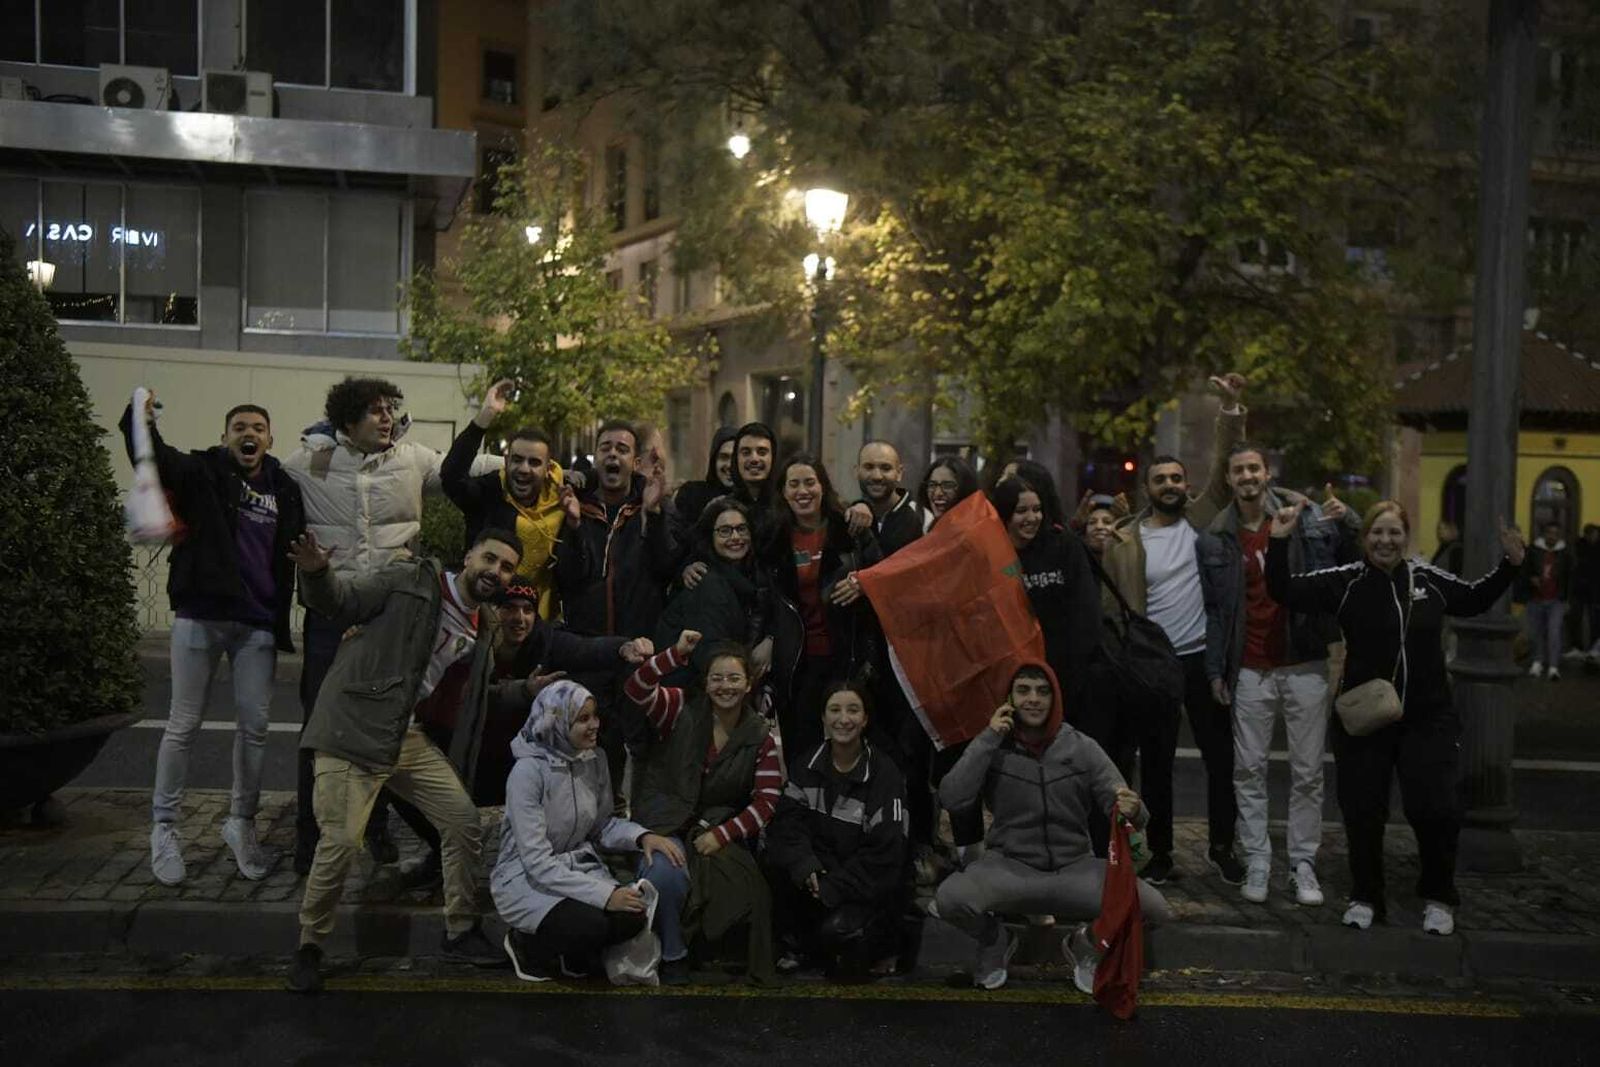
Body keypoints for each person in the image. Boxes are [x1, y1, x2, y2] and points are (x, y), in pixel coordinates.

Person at [283, 526, 527, 993]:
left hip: (402, 735)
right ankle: (309, 947)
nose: (495, 571)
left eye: (506, 567)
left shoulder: (486, 624)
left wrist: (527, 690)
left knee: (461, 821)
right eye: (489, 559)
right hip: (351, 726)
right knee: (340, 841)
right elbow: (343, 601)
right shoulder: (410, 579)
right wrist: (316, 573)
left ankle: (460, 931)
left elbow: (478, 693)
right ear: (469, 554)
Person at [1266, 500, 1523, 935]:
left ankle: (1439, 896)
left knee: (1435, 809)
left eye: (1394, 533)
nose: (1385, 541)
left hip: (1428, 717)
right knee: (1363, 812)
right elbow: (1284, 590)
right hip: (1365, 719)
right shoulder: (1346, 582)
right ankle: (1366, 896)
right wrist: (1277, 541)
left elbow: (1475, 598)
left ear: (1406, 537)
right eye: (1376, 533)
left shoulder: (1428, 579)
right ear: (1365, 539)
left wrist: (1511, 564)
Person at [118, 393, 305, 885]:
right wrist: (141, 415)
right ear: (226, 437)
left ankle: (240, 824)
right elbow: (152, 453)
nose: (250, 433)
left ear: (269, 439)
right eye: (240, 426)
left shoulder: (284, 487)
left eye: (259, 427)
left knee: (256, 727)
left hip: (258, 622)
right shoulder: (203, 472)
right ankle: (164, 828)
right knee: (183, 724)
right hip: (202, 614)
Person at [283, 376, 453, 872]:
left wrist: (544, 467)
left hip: (386, 618)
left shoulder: (411, 459)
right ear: (346, 422)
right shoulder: (309, 463)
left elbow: (467, 470)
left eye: (390, 408)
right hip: (330, 615)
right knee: (319, 728)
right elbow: (257, 476)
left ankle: (373, 830)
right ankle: (309, 838)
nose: (387, 417)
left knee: (382, 727)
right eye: (375, 411)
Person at [395, 572, 653, 891]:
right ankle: (443, 851)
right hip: (469, 758)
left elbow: (583, 648)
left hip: (519, 767)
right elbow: (467, 696)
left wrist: (622, 648)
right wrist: (523, 690)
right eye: (509, 608)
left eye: (527, 610)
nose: (519, 618)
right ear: (494, 611)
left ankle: (550, 858)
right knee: (400, 781)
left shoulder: (543, 642)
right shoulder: (472, 641)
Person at [933, 663, 1173, 991]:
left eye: (1043, 691)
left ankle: (1085, 945)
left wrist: (1134, 808)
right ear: (1009, 699)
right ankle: (995, 941)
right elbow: (952, 797)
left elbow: (1128, 807)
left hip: (1075, 869)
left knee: (1155, 909)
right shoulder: (994, 745)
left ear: (1055, 697)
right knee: (950, 899)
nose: (1034, 699)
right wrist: (989, 737)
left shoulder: (1081, 746)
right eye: (1024, 690)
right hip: (1009, 868)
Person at [1101, 373, 1247, 887]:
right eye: (1160, 480)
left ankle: (1223, 847)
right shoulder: (1127, 537)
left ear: (1187, 486)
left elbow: (1226, 474)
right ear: (1147, 488)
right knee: (1156, 764)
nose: (1170, 486)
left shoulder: (1202, 519)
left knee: (1220, 759)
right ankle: (1160, 852)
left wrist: (1230, 409)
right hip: (1151, 664)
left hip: (1201, 660)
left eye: (1176, 479)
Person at [1209, 445, 1357, 907]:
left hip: (1304, 661)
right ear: (1229, 479)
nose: (1248, 476)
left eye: (1254, 467)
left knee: (1308, 772)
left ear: (1266, 473)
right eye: (1239, 470)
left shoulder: (1302, 516)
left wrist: (1346, 518)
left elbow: (1345, 560)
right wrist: (1217, 667)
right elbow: (1217, 611)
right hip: (1249, 666)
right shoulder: (1217, 535)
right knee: (1247, 769)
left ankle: (1302, 863)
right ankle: (1258, 858)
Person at [493, 680, 685, 982]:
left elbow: (602, 825)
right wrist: (607, 894)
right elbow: (537, 862)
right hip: (526, 877)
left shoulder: (595, 760)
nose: (595, 725)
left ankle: (572, 952)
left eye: (595, 716)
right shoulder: (528, 773)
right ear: (557, 721)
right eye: (583, 719)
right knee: (592, 924)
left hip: (577, 867)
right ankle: (526, 945)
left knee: (634, 916)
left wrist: (642, 836)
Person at [624, 631, 783, 983]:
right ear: (706, 683)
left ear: (748, 684)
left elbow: (766, 801)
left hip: (716, 829)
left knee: (752, 893)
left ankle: (713, 954)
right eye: (717, 678)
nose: (725, 686)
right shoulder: (679, 708)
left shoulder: (761, 735)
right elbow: (637, 687)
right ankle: (673, 952)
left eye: (733, 678)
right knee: (665, 876)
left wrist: (722, 835)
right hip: (666, 824)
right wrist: (676, 654)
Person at [552, 419, 684, 807]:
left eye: (622, 449)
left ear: (634, 459)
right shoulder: (577, 504)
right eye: (606, 447)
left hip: (638, 646)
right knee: (593, 742)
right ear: (596, 455)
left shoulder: (652, 503)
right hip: (590, 647)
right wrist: (574, 528)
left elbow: (667, 568)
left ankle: (641, 823)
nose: (613, 454)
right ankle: (597, 821)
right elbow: (568, 579)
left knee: (641, 742)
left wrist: (655, 515)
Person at [764, 681, 908, 978]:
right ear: (823, 718)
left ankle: (883, 946)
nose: (844, 719)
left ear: (865, 719)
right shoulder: (806, 765)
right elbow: (787, 826)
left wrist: (834, 886)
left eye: (853, 710)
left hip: (864, 889)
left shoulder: (885, 774)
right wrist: (806, 868)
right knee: (773, 861)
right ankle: (801, 946)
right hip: (820, 877)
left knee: (838, 936)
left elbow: (886, 855)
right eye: (835, 710)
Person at [764, 452, 879, 760]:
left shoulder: (851, 530)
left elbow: (884, 576)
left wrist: (863, 582)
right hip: (797, 663)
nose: (803, 491)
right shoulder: (773, 540)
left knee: (849, 747)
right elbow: (765, 602)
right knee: (802, 749)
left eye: (810, 482)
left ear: (823, 486)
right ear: (784, 493)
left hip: (847, 654)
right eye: (794, 485)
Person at [441, 379, 566, 620]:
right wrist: (484, 417)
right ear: (506, 461)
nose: (524, 469)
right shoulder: (490, 492)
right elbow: (451, 477)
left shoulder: (561, 498)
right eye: (517, 460)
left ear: (548, 468)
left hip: (536, 622)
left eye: (534, 462)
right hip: (485, 618)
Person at [654, 497, 770, 677]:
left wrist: (771, 639)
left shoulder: (753, 575)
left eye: (741, 529)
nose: (735, 537)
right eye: (725, 531)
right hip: (697, 689)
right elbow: (709, 655)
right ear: (710, 537)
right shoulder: (705, 581)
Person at [843, 440, 930, 556]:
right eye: (869, 467)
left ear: (899, 473)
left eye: (886, 468)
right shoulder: (848, 516)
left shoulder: (922, 517)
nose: (877, 476)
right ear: (857, 471)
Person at [1522, 521, 1572, 681]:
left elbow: (1570, 577)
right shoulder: (1533, 550)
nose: (1552, 536)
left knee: (1554, 632)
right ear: (1544, 534)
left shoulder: (1565, 553)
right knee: (1535, 633)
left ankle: (1553, 666)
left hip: (1556, 599)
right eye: (1549, 533)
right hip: (1535, 598)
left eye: (1555, 533)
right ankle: (1537, 662)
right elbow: (1524, 570)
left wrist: (1567, 599)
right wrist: (1531, 579)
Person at [674, 426, 740, 527]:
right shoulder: (691, 494)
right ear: (714, 461)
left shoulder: (752, 500)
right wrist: (706, 518)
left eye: (735, 458)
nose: (730, 465)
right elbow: (679, 538)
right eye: (724, 457)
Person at [916, 455, 980, 524]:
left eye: (947, 486)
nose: (938, 493)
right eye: (932, 485)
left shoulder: (978, 530)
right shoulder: (926, 528)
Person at [1575, 524, 1600, 665]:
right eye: (1590, 534)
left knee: (1594, 621)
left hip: (1595, 590)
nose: (1592, 537)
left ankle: (1593, 648)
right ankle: (1583, 648)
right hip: (1582, 589)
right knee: (1578, 618)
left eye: (1594, 534)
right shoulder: (1580, 546)